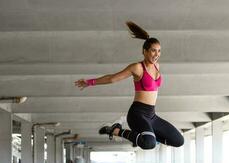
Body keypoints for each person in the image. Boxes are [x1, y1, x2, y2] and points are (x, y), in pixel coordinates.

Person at [75, 21, 184, 150]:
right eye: (153, 51)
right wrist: (89, 82)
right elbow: (112, 78)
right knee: (149, 144)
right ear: (145, 51)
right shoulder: (137, 67)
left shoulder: (157, 66)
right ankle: (116, 131)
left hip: (152, 115)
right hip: (137, 114)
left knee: (178, 140)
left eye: (159, 51)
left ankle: (147, 136)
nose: (157, 55)